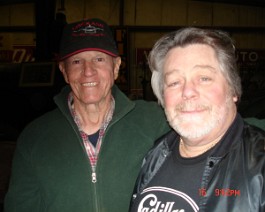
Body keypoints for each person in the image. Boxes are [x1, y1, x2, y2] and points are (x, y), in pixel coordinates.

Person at [4, 18, 170, 212]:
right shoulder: (35, 137)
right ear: (64, 71)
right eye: (76, 61)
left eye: (99, 59)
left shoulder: (155, 122)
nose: (88, 71)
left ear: (116, 67)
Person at [130, 27, 265, 212]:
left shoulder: (260, 167)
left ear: (233, 89)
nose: (187, 92)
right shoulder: (154, 155)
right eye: (174, 82)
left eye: (204, 78)